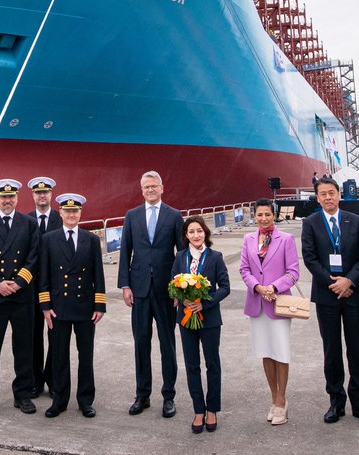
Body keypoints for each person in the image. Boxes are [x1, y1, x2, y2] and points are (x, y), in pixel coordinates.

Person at [300, 176, 359, 426]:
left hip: (353, 294)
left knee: (356, 349)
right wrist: (333, 284)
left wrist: (349, 281)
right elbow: (310, 259)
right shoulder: (310, 223)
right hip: (327, 296)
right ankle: (336, 401)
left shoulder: (355, 221)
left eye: (331, 193)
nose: (328, 198)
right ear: (317, 197)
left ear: (339, 194)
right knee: (331, 351)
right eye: (322, 194)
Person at [117, 170, 184, 418]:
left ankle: (169, 396)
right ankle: (142, 395)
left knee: (167, 344)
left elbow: (181, 255)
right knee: (141, 343)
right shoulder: (132, 216)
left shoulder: (175, 216)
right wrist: (125, 285)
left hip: (167, 292)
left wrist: (180, 288)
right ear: (141, 190)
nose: (150, 190)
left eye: (154, 186)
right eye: (146, 187)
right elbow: (125, 252)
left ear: (162, 188)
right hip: (140, 290)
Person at [0, 178, 40, 416]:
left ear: (17, 199)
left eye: (11, 197)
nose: (7, 200)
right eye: (3, 197)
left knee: (24, 349)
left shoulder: (29, 224)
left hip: (22, 297)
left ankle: (23, 394)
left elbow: (34, 255)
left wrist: (19, 282)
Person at [39, 194, 106, 418]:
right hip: (58, 306)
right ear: (60, 213)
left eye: (75, 211)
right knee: (59, 356)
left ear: (80, 214)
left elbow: (98, 273)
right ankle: (59, 400)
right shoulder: (49, 239)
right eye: (67, 212)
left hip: (85, 306)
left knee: (85, 355)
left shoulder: (91, 239)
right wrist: (45, 306)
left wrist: (100, 305)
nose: (71, 215)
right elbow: (44, 275)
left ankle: (85, 400)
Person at [239, 199, 300, 426]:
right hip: (257, 302)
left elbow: (294, 272)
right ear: (254, 216)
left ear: (274, 215)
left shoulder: (286, 240)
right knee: (266, 351)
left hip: (278, 302)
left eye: (267, 214)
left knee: (280, 352)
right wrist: (257, 287)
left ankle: (282, 401)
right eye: (259, 215)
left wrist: (273, 287)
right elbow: (244, 269)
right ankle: (273, 399)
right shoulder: (248, 239)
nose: (263, 218)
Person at [171, 215, 231, 433]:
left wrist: (203, 305)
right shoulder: (180, 257)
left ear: (205, 233)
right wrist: (182, 299)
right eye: (191, 232)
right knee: (192, 365)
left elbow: (225, 287)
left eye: (199, 231)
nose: (196, 235)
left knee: (212, 364)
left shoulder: (215, 257)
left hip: (210, 319)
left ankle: (212, 409)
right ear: (186, 236)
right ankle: (198, 409)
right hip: (186, 318)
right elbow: (173, 283)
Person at [27, 176, 63, 399]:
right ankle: (34, 381)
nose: (42, 196)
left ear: (51, 195)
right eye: (38, 193)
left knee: (55, 335)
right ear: (33, 196)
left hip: (55, 288)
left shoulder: (61, 219)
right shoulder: (26, 220)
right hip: (30, 288)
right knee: (32, 336)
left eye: (46, 192)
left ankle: (52, 379)